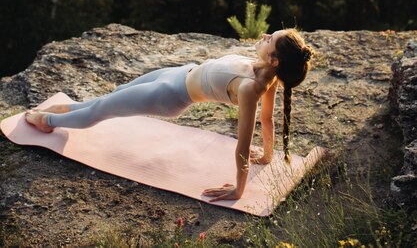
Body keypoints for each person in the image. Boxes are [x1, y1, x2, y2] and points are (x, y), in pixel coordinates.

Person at [25, 28, 313, 202]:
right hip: (180, 73)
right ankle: (67, 108)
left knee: (104, 109)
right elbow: (268, 119)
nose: (264, 36)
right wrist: (266, 155)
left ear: (274, 60)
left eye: (269, 38)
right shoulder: (265, 70)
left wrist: (239, 189)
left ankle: (48, 122)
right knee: (115, 93)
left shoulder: (253, 88)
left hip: (169, 96)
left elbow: (244, 138)